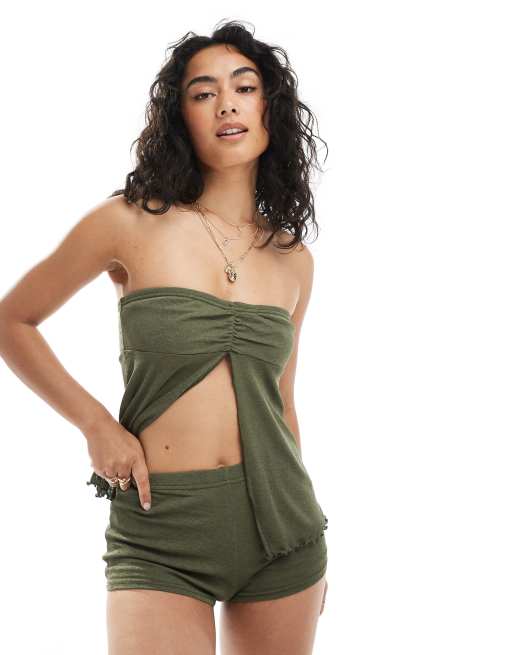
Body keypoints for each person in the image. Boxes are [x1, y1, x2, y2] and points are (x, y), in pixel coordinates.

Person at [0, 20, 329, 655]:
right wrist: (97, 425)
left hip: (282, 526)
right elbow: (12, 320)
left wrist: (305, 527)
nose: (226, 104)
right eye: (203, 93)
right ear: (182, 117)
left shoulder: (293, 260)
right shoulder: (129, 221)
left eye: (245, 87)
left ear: (271, 109)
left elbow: (282, 404)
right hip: (160, 528)